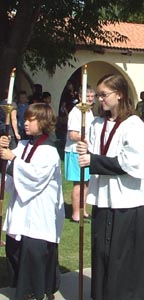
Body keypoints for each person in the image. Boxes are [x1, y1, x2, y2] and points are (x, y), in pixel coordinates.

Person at [76, 74, 144, 300]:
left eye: (104, 94)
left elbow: (131, 162)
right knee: (102, 252)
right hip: (104, 198)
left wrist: (93, 161)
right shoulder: (97, 123)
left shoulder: (134, 124)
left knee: (125, 257)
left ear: (119, 94)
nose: (99, 99)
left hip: (130, 201)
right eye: (99, 95)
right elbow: (93, 151)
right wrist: (85, 151)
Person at [0, 103, 65, 300]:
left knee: (35, 253)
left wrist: (12, 159)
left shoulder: (49, 151)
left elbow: (35, 176)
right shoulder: (25, 145)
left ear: (43, 122)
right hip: (22, 209)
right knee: (16, 249)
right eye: (25, 119)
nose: (25, 123)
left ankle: (40, 290)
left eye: (31, 120)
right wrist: (5, 148)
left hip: (39, 212)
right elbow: (12, 165)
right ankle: (24, 289)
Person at [64, 86, 95, 222]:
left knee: (86, 182)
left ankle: (83, 209)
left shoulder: (89, 111)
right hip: (75, 151)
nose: (90, 99)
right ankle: (76, 213)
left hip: (86, 151)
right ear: (81, 97)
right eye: (87, 96)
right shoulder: (76, 112)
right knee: (79, 183)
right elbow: (72, 134)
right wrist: (87, 139)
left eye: (91, 97)